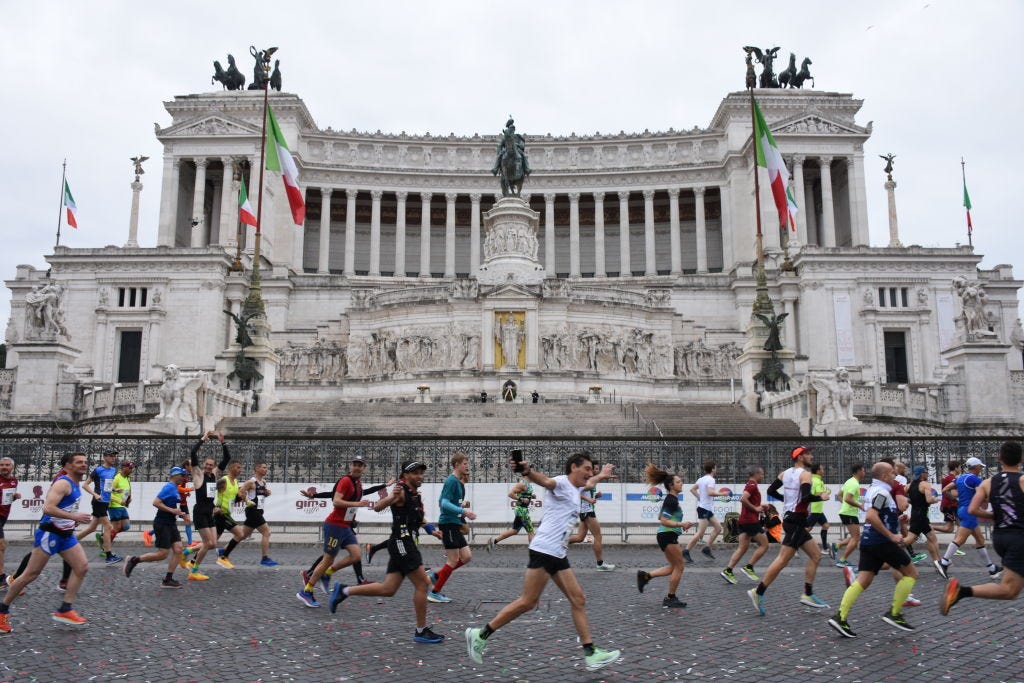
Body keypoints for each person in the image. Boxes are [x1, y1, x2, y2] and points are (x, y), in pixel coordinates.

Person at [465, 452, 621, 672]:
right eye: (586, 468)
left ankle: (591, 653)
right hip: (544, 550)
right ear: (573, 468)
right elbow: (544, 481)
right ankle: (480, 634)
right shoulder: (560, 483)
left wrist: (602, 475)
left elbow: (591, 482)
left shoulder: (578, 488)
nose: (590, 473)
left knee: (578, 599)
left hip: (557, 553)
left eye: (591, 469)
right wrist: (527, 471)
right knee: (528, 602)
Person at [328, 461, 446, 645]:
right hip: (402, 543)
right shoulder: (400, 491)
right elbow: (377, 507)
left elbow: (419, 519)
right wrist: (391, 498)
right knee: (423, 583)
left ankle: (344, 591)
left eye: (421, 473)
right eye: (415, 473)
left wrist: (432, 530)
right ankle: (421, 631)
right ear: (406, 475)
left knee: (388, 589)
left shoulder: (415, 495)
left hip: (404, 544)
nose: (420, 476)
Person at [0, 452, 93, 634]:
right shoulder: (63, 483)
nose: (83, 465)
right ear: (68, 466)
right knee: (30, 575)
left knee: (81, 567)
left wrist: (71, 520)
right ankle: (2, 610)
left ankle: (65, 609)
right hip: (50, 533)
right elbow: (48, 508)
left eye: (85, 462)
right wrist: (74, 516)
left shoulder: (76, 483)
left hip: (66, 534)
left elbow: (66, 506)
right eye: (79, 462)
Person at [827, 461, 918, 637]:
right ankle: (894, 613)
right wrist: (891, 536)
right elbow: (871, 516)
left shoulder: (873, 490)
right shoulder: (882, 492)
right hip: (882, 542)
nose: (895, 476)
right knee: (912, 574)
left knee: (863, 581)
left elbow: (878, 515)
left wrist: (896, 522)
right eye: (892, 473)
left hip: (869, 541)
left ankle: (840, 617)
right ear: (884, 476)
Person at [941, 441, 1024, 614]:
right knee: (1009, 590)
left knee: (1011, 588)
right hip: (1018, 537)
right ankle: (956, 582)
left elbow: (973, 508)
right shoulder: (1022, 480)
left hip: (1000, 537)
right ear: (1021, 459)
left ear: (1000, 458)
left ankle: (988, 568)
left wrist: (994, 515)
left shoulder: (988, 482)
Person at [747, 446, 830, 615]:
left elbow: (771, 491)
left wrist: (786, 499)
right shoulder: (805, 474)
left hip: (793, 519)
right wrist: (820, 497)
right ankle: (758, 591)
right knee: (783, 559)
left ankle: (808, 593)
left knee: (816, 555)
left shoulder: (784, 473)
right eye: (807, 454)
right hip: (796, 521)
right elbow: (806, 497)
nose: (811, 456)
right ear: (800, 457)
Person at [297, 456, 382, 607]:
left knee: (356, 555)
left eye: (360, 465)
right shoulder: (345, 481)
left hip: (346, 526)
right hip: (335, 525)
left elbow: (352, 506)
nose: (357, 467)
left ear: (364, 468)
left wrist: (353, 517)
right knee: (327, 559)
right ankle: (307, 591)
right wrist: (358, 504)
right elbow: (336, 501)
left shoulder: (358, 484)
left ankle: (327, 573)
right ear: (351, 466)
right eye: (355, 464)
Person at [637, 463, 695, 607]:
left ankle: (645, 576)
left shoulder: (671, 499)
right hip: (667, 535)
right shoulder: (671, 500)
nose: (682, 484)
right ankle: (670, 598)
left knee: (673, 566)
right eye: (678, 482)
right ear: (671, 486)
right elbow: (663, 519)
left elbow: (660, 516)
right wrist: (681, 525)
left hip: (666, 535)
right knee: (680, 566)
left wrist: (678, 526)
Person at [123, 467, 192, 588]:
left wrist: (180, 514)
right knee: (163, 554)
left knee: (178, 549)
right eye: (182, 475)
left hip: (171, 523)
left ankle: (168, 579)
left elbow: (170, 506)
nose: (184, 478)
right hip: (162, 523)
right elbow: (156, 502)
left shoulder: (175, 488)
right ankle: (134, 560)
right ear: (175, 475)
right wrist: (172, 510)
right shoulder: (169, 487)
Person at [937, 457, 1002, 579]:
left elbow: (945, 490)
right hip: (970, 511)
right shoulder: (974, 479)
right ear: (975, 467)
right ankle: (944, 562)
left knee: (980, 539)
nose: (981, 469)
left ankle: (991, 568)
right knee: (960, 539)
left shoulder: (960, 478)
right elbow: (983, 496)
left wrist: (954, 499)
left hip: (962, 509)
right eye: (980, 467)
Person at [429, 452, 477, 602]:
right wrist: (464, 512)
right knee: (453, 560)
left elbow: (447, 502)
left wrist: (460, 508)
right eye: (464, 463)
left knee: (467, 556)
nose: (467, 466)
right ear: (457, 465)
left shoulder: (458, 482)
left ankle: (436, 576)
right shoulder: (451, 481)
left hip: (454, 524)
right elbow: (443, 503)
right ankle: (434, 592)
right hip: (447, 525)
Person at [186, 431, 231, 581]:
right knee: (207, 543)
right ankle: (194, 570)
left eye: (211, 465)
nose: (208, 467)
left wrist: (222, 442)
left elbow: (227, 459)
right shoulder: (198, 474)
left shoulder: (214, 475)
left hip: (209, 512)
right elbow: (193, 452)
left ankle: (187, 552)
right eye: (206, 464)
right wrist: (203, 439)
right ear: (203, 465)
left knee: (212, 544)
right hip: (200, 511)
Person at [721, 466, 769, 584]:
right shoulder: (752, 486)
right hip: (750, 521)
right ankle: (749, 567)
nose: (763, 476)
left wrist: (761, 507)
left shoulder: (750, 485)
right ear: (756, 474)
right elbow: (743, 499)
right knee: (764, 544)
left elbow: (749, 502)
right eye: (761, 474)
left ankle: (728, 570)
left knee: (743, 547)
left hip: (744, 520)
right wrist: (755, 508)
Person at [76, 448, 122, 565]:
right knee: (108, 526)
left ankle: (69, 542)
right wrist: (95, 494)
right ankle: (108, 555)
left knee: (91, 528)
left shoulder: (113, 470)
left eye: (114, 456)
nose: (113, 458)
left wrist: (116, 490)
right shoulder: (98, 470)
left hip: (105, 502)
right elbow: (85, 485)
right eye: (111, 456)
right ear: (105, 457)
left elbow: (107, 487)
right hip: (98, 502)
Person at [228, 462, 278, 566]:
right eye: (264, 467)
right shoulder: (251, 482)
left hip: (259, 511)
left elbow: (260, 495)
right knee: (267, 532)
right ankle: (264, 558)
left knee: (242, 535)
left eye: (266, 468)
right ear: (257, 468)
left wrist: (266, 493)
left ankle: (223, 551)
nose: (266, 469)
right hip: (252, 510)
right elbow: (240, 492)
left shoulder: (263, 482)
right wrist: (246, 500)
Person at [568, 461, 615, 571]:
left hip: (584, 511)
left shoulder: (591, 481)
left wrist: (596, 496)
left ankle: (559, 542)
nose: (598, 471)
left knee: (580, 538)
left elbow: (587, 494)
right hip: (587, 512)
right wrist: (588, 499)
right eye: (596, 469)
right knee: (598, 536)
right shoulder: (587, 480)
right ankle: (600, 564)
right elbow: (576, 493)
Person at [903, 465, 943, 574]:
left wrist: (914, 501)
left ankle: (938, 562)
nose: (927, 474)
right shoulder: (925, 484)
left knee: (931, 537)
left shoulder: (908, 486)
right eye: (926, 472)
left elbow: (906, 497)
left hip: (916, 515)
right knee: (909, 539)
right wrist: (936, 499)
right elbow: (929, 500)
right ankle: (889, 551)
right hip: (921, 516)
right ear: (922, 474)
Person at [683, 461, 727, 562]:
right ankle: (686, 551)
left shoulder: (701, 479)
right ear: (712, 469)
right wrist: (722, 494)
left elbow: (692, 490)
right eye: (715, 467)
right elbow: (710, 493)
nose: (716, 469)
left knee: (718, 528)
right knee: (700, 533)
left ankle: (707, 548)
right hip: (704, 509)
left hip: (706, 509)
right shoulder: (711, 480)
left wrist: (700, 497)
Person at [212, 461, 247, 568]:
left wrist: (240, 497)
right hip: (221, 514)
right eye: (238, 467)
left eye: (241, 468)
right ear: (231, 468)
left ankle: (188, 553)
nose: (240, 470)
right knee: (240, 534)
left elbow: (233, 500)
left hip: (227, 514)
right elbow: (207, 495)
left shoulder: (236, 482)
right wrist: (214, 508)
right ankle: (223, 557)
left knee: (211, 543)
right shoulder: (223, 480)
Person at [486, 477, 536, 550]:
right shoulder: (522, 484)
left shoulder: (528, 484)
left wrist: (531, 496)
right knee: (531, 531)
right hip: (522, 511)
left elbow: (523, 494)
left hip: (521, 510)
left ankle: (493, 541)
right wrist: (521, 499)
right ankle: (534, 551)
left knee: (514, 531)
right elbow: (510, 494)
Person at [833, 463, 866, 568]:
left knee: (855, 537)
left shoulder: (849, 481)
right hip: (849, 513)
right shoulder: (854, 484)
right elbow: (847, 498)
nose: (864, 472)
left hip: (847, 512)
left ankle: (837, 546)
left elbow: (839, 495)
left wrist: (846, 506)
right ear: (859, 471)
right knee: (856, 538)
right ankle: (842, 560)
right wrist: (859, 506)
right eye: (863, 470)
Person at [0, 457, 22, 586]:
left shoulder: (14, 481)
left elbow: (5, 499)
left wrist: (14, 497)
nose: (4, 467)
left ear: (12, 467)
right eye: (1, 465)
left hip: (3, 517)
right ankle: (1, 577)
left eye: (7, 465)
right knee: (1, 546)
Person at [107, 460, 135, 556]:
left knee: (126, 526)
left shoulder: (127, 478)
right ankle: (105, 548)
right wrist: (119, 501)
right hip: (114, 506)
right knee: (116, 527)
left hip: (122, 506)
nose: (131, 469)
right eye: (129, 468)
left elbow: (127, 490)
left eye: (132, 468)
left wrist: (129, 498)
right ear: (123, 467)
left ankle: (105, 537)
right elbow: (108, 493)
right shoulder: (116, 478)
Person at [804, 463, 833, 557]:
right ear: (818, 471)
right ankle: (794, 544)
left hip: (818, 510)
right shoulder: (817, 481)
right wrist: (827, 492)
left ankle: (824, 548)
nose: (823, 470)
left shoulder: (816, 480)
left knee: (826, 525)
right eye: (822, 469)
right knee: (806, 529)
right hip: (815, 509)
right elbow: (817, 494)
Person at [936, 460, 962, 536]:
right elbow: (953, 493)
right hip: (950, 506)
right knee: (961, 526)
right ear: (955, 468)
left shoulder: (947, 477)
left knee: (950, 529)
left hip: (948, 505)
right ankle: (956, 546)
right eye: (960, 467)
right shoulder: (952, 479)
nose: (960, 469)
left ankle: (929, 527)